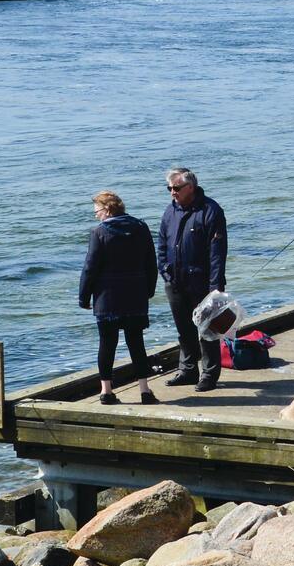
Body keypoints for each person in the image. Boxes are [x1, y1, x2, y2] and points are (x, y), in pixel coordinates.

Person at [79, 190, 159, 405]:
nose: (96, 215)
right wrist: (149, 290)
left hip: (107, 298)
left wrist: (84, 297)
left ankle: (106, 391)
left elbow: (90, 268)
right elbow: (151, 263)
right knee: (136, 342)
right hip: (136, 294)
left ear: (107, 210)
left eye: (97, 211)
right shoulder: (141, 227)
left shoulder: (99, 232)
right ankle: (145, 390)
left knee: (107, 344)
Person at [157, 168, 227, 392]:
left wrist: (216, 287)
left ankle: (209, 374)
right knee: (184, 329)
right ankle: (188, 370)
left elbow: (217, 253)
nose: (172, 192)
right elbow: (161, 244)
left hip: (202, 282)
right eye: (169, 188)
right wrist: (165, 271)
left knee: (207, 330)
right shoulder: (170, 211)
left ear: (191, 187)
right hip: (175, 281)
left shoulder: (210, 210)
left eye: (176, 188)